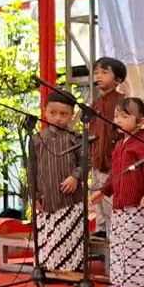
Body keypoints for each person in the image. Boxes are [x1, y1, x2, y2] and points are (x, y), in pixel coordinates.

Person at [92, 97, 144, 287]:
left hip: (137, 205)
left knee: (136, 245)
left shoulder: (143, 143)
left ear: (141, 120)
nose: (118, 120)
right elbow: (115, 173)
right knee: (119, 243)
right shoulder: (120, 144)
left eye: (125, 116)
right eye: (116, 116)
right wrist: (104, 191)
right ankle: (121, 280)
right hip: (120, 204)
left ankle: (142, 283)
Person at [33, 92, 86, 272]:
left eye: (63, 114)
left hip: (70, 199)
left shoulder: (76, 138)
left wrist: (75, 176)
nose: (57, 118)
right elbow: (31, 170)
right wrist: (34, 196)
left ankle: (70, 271)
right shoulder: (37, 140)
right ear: (44, 111)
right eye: (53, 113)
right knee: (47, 238)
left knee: (68, 237)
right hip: (46, 198)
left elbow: (87, 162)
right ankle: (47, 269)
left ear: (72, 115)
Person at [88, 57, 126, 235]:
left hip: (113, 159)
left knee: (110, 197)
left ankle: (114, 232)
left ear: (118, 78)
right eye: (96, 73)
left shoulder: (123, 102)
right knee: (98, 198)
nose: (99, 76)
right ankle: (102, 228)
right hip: (97, 157)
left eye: (104, 72)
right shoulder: (94, 104)